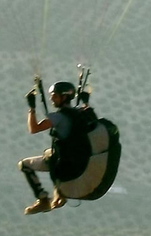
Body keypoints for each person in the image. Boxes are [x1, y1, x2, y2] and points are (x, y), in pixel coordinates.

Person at [19, 78, 95, 216]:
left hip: (64, 164)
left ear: (64, 97)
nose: (51, 99)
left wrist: (32, 108)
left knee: (24, 165)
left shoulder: (59, 117)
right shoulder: (80, 113)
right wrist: (86, 102)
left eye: (54, 96)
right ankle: (59, 191)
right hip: (80, 162)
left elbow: (34, 128)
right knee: (49, 152)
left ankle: (42, 199)